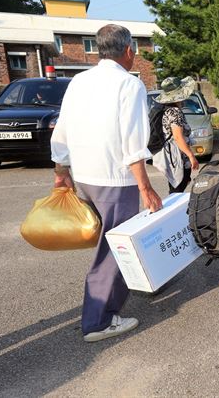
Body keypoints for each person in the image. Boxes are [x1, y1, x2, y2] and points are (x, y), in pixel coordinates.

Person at [51, 24, 163, 342]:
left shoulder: (79, 81)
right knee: (114, 250)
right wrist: (145, 187)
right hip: (114, 179)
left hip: (85, 175)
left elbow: (62, 128)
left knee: (108, 245)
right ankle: (98, 321)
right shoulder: (129, 84)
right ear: (128, 51)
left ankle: (107, 310)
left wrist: (61, 171)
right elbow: (133, 141)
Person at [152, 76, 200, 193]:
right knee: (177, 190)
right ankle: (171, 211)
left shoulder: (166, 110)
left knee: (175, 188)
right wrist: (191, 156)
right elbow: (178, 137)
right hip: (177, 157)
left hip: (170, 155)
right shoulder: (174, 112)